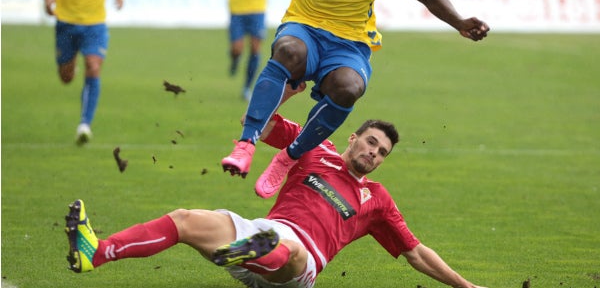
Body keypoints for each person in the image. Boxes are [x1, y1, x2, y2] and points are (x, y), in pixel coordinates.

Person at [65, 86, 487, 288]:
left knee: (288, 247)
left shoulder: (376, 200)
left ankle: (244, 252)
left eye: (383, 153)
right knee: (184, 219)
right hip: (261, 241)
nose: (375, 153)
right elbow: (261, 124)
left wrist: (467, 287)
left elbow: (415, 252)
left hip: (297, 267)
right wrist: (285, 92)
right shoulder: (312, 145)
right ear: (352, 138)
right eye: (371, 142)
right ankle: (95, 253)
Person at [220, 0, 490, 198]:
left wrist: (459, 22)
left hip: (350, 42)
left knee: (350, 87)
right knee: (288, 50)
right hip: (305, 25)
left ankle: (288, 157)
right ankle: (245, 144)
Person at [35, 0, 127, 145]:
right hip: (66, 20)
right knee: (66, 77)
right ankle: (70, 64)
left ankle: (84, 125)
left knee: (94, 66)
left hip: (95, 23)